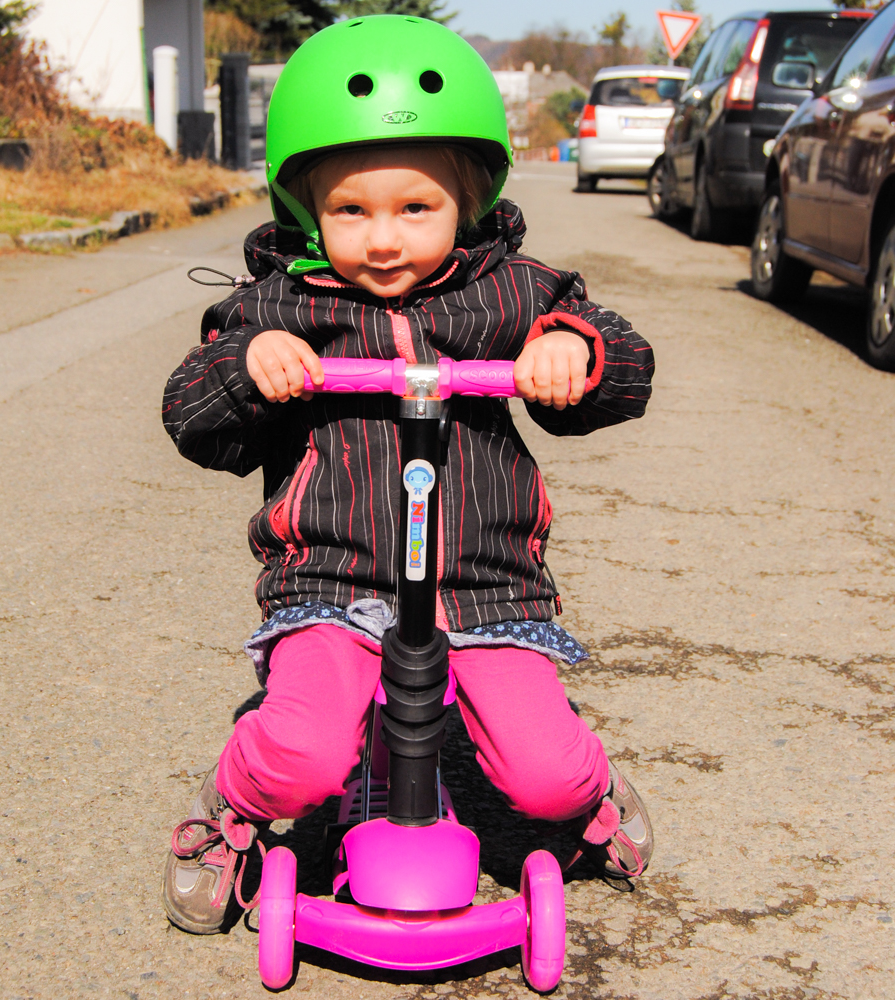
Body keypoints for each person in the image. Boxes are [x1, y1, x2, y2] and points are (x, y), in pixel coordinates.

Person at [160, 15, 655, 934]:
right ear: (307, 208)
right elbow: (191, 416)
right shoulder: (282, 304)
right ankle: (231, 806)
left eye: (415, 208)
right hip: (331, 581)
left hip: (484, 586)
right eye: (352, 210)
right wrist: (246, 365)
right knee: (302, 759)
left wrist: (570, 351)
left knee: (544, 775)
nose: (384, 239)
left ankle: (592, 794)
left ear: (469, 199)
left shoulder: (512, 293)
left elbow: (625, 363)